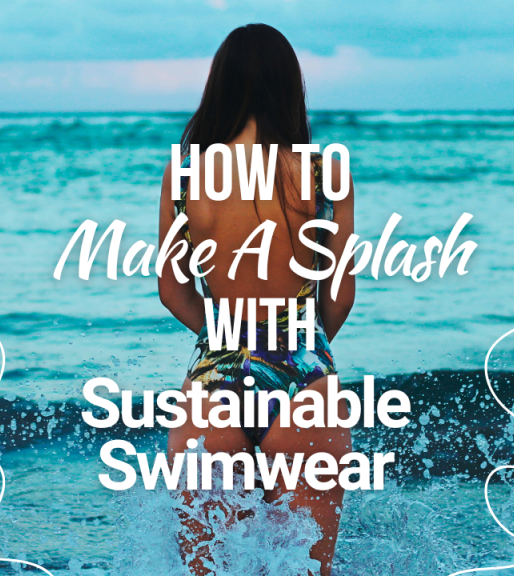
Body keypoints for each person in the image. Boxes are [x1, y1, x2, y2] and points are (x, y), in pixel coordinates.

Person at [157, 23, 356, 576]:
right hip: (304, 379)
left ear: (218, 88)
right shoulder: (324, 174)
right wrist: (300, 345)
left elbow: (172, 290)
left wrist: (222, 333)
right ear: (290, 89)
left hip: (214, 382)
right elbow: (339, 295)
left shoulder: (185, 175)